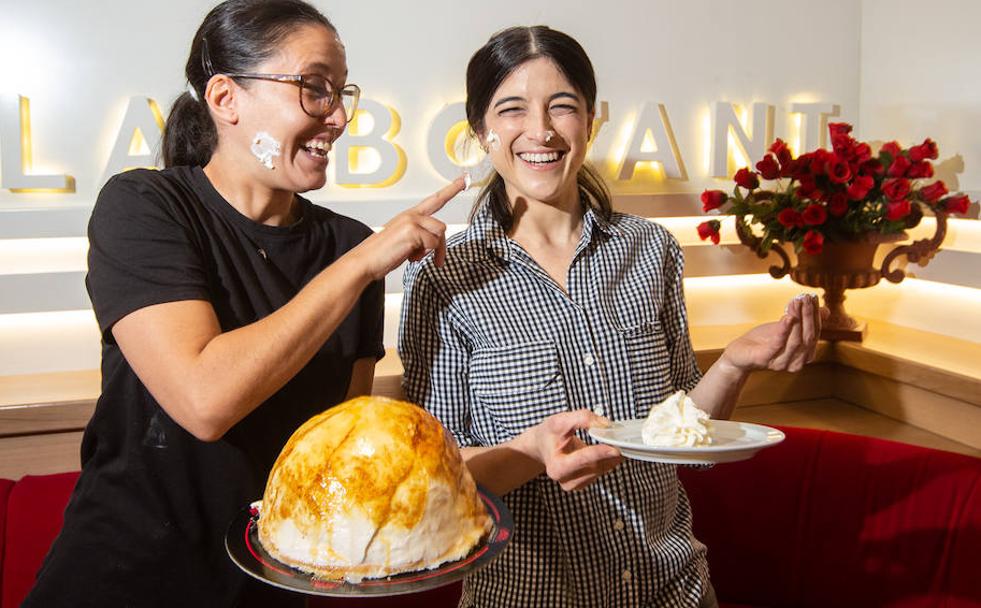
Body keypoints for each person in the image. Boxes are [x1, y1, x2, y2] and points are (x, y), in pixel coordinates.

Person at [24, 1, 462, 606]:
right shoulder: (145, 207)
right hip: (126, 577)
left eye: (341, 93)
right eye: (313, 88)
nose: (336, 118)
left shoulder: (346, 245)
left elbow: (338, 449)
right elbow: (205, 400)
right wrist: (359, 267)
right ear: (226, 99)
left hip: (269, 587)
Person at [399, 26, 823, 607]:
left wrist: (734, 364)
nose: (541, 130)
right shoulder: (442, 276)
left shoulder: (650, 249)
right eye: (512, 108)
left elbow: (681, 437)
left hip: (674, 587)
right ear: (481, 131)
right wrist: (532, 453)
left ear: (591, 121)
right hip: (531, 596)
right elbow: (434, 475)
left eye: (563, 107)